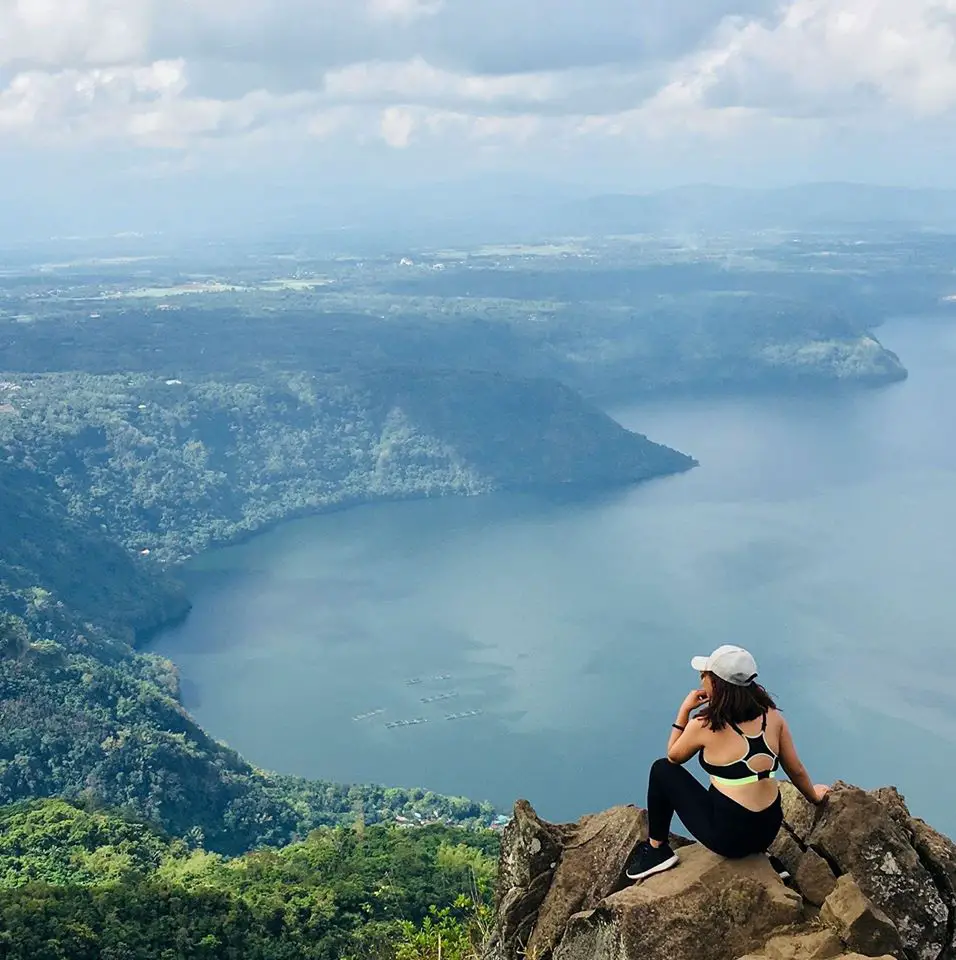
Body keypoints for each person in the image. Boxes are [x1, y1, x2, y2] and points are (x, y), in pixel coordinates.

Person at [625, 644, 830, 881]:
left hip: (729, 839)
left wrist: (684, 711)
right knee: (735, 784)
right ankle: (763, 857)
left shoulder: (705, 725)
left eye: (705, 675)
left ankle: (657, 850)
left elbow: (674, 756)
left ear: (716, 683)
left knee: (661, 770)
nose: (702, 680)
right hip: (767, 830)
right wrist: (814, 797)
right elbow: (795, 769)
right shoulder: (772, 716)